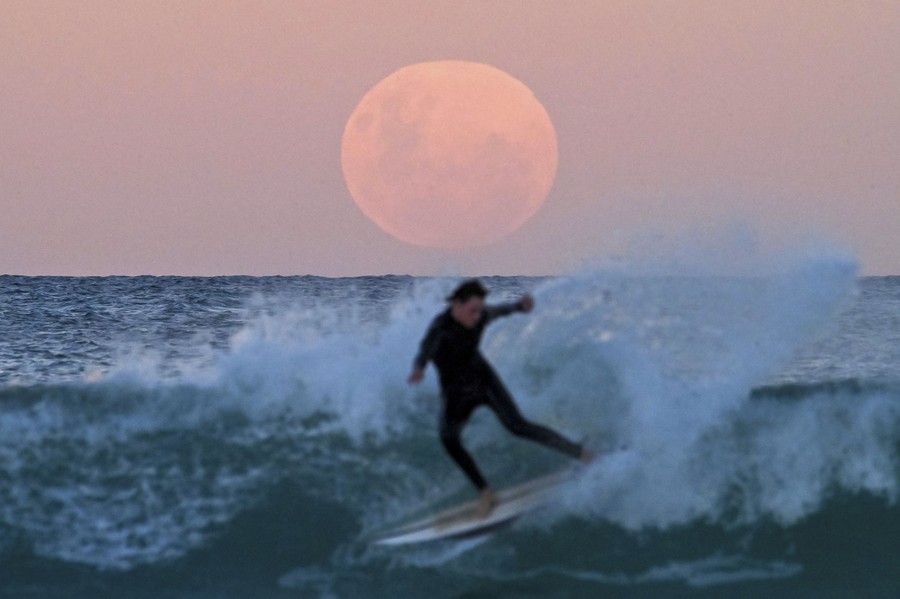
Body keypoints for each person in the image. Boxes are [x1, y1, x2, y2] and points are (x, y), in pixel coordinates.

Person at [408, 279, 592, 518]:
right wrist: (419, 367)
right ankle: (485, 493)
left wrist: (520, 307)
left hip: (484, 381)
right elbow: (424, 348)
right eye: (472, 310)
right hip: (456, 393)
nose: (477, 316)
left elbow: (499, 310)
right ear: (456, 304)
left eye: (479, 310)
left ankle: (583, 454)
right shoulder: (440, 328)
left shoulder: (481, 315)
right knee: (448, 438)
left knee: (518, 426)